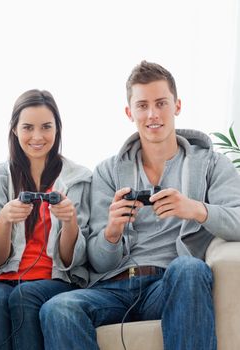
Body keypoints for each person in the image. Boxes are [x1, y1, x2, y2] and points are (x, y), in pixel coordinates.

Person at [40, 61, 240, 350]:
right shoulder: (108, 172)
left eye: (161, 103)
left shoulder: (210, 163)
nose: (152, 114)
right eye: (142, 106)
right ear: (129, 112)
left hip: (169, 284)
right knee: (57, 309)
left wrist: (194, 209)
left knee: (189, 268)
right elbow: (98, 261)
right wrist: (111, 231)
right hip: (115, 288)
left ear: (177, 106)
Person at [0, 89, 92, 350]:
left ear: (57, 130)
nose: (37, 137)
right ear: (14, 129)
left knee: (25, 295)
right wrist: (4, 220)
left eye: (46, 127)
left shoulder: (79, 178)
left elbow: (75, 260)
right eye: (27, 127)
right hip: (6, 279)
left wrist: (70, 222)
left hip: (57, 281)